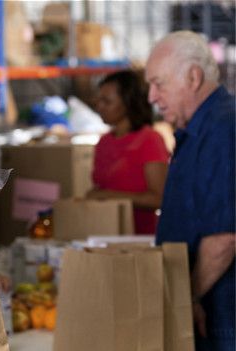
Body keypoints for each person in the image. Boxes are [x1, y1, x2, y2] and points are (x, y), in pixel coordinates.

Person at [146, 31, 235, 351]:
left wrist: (189, 296)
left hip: (222, 318)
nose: (151, 97)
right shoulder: (199, 129)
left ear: (193, 77)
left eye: (159, 83)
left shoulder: (224, 130)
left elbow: (225, 237)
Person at [86, 70, 169, 234]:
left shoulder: (149, 140)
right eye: (98, 100)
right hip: (105, 231)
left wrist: (108, 196)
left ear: (128, 103)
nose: (99, 106)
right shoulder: (104, 142)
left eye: (107, 101)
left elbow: (160, 199)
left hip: (140, 237)